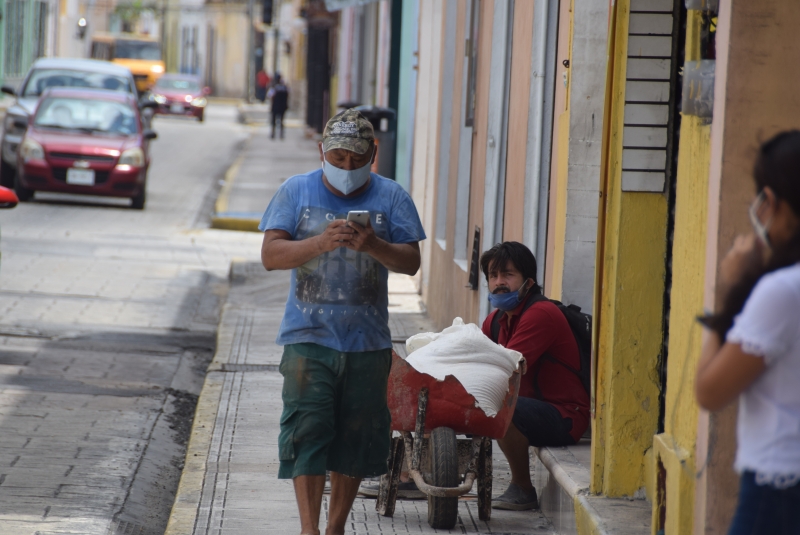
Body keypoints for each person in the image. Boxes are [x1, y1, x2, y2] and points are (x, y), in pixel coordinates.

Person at [259, 108, 426, 535]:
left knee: (355, 439)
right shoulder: (295, 191)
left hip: (367, 345)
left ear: (373, 152)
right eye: (337, 159)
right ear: (321, 152)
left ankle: (335, 528)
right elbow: (271, 256)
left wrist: (374, 245)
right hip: (307, 339)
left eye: (356, 159)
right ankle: (308, 529)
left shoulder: (392, 197)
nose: (346, 168)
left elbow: (411, 262)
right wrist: (318, 242)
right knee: (306, 430)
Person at [695, 131, 800, 535]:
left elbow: (710, 391)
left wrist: (732, 293)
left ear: (770, 202)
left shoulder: (781, 291)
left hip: (779, 489)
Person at [479, 242, 590, 510]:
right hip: (532, 410)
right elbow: (479, 366)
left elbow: (504, 368)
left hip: (565, 416)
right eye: (493, 276)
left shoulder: (541, 314)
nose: (499, 283)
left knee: (500, 404)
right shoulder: (495, 320)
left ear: (528, 282)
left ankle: (522, 488)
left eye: (508, 275)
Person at [268, 73, 289, 139]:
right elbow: (288, 95)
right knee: (281, 121)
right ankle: (281, 134)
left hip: (275, 106)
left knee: (273, 121)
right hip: (283, 106)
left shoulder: (274, 87)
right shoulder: (284, 87)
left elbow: (269, 95)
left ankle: (273, 134)